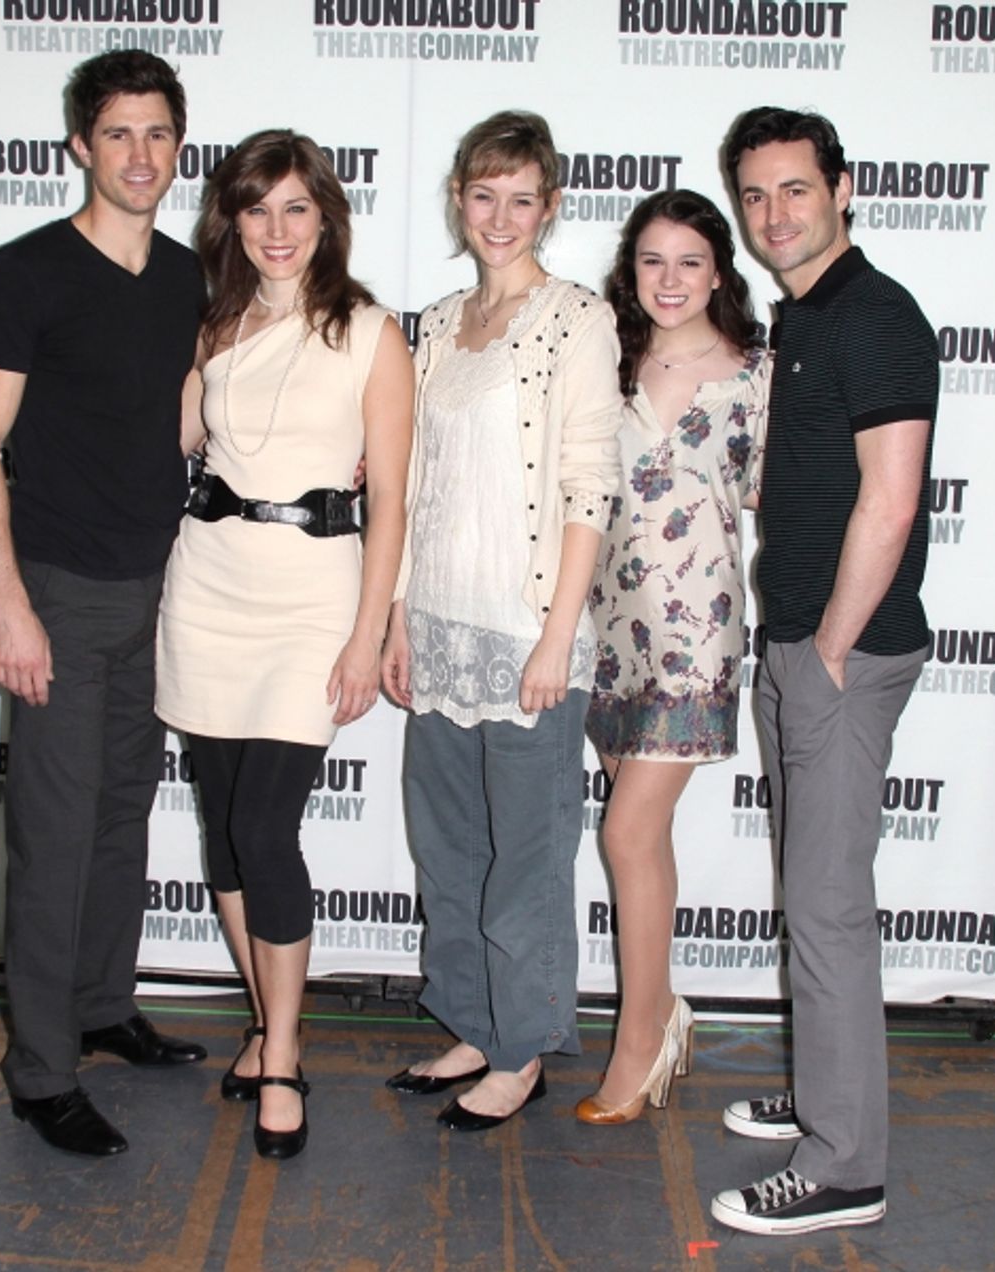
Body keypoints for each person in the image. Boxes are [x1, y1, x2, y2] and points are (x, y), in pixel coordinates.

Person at [0, 50, 208, 1158]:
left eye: (158, 135)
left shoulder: (195, 276)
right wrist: (8, 605)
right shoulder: (23, 275)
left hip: (165, 591)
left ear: (178, 149)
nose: (140, 155)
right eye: (118, 135)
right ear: (80, 147)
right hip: (57, 589)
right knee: (54, 839)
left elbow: (195, 420)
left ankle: (103, 1007)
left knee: (119, 819)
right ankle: (41, 1070)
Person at [155, 129, 413, 1161]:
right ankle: (262, 1028)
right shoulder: (213, 324)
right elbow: (185, 440)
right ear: (233, 220)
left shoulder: (370, 332)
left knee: (267, 830)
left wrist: (368, 633)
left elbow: (392, 497)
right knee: (222, 829)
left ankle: (289, 1051)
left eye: (295, 208)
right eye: (256, 209)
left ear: (326, 219)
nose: (275, 229)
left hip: (312, 597)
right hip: (208, 581)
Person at [710, 107, 938, 1235]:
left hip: (845, 656)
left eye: (795, 189)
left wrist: (830, 656)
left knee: (830, 913)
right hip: (799, 644)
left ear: (842, 189)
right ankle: (823, 1099)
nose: (773, 215)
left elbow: (892, 503)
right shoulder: (802, 318)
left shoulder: (878, 319)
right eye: (754, 195)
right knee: (811, 902)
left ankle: (846, 1165)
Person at [381, 111, 621, 1131]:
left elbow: (587, 487)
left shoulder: (576, 320)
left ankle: (521, 1048)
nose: (501, 216)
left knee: (526, 860)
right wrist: (394, 617)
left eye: (522, 198)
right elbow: (407, 485)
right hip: (436, 629)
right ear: (458, 201)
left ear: (551, 206)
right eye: (484, 195)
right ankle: (474, 1020)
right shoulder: (432, 325)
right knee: (449, 849)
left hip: (527, 638)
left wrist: (557, 638)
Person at [576, 191, 770, 1125]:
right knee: (639, 838)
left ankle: (640, 1038)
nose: (669, 279)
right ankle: (667, 1007)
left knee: (624, 833)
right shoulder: (604, 360)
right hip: (607, 629)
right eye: (652, 260)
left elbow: (790, 499)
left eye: (689, 262)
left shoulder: (757, 375)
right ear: (631, 269)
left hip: (696, 634)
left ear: (719, 272)